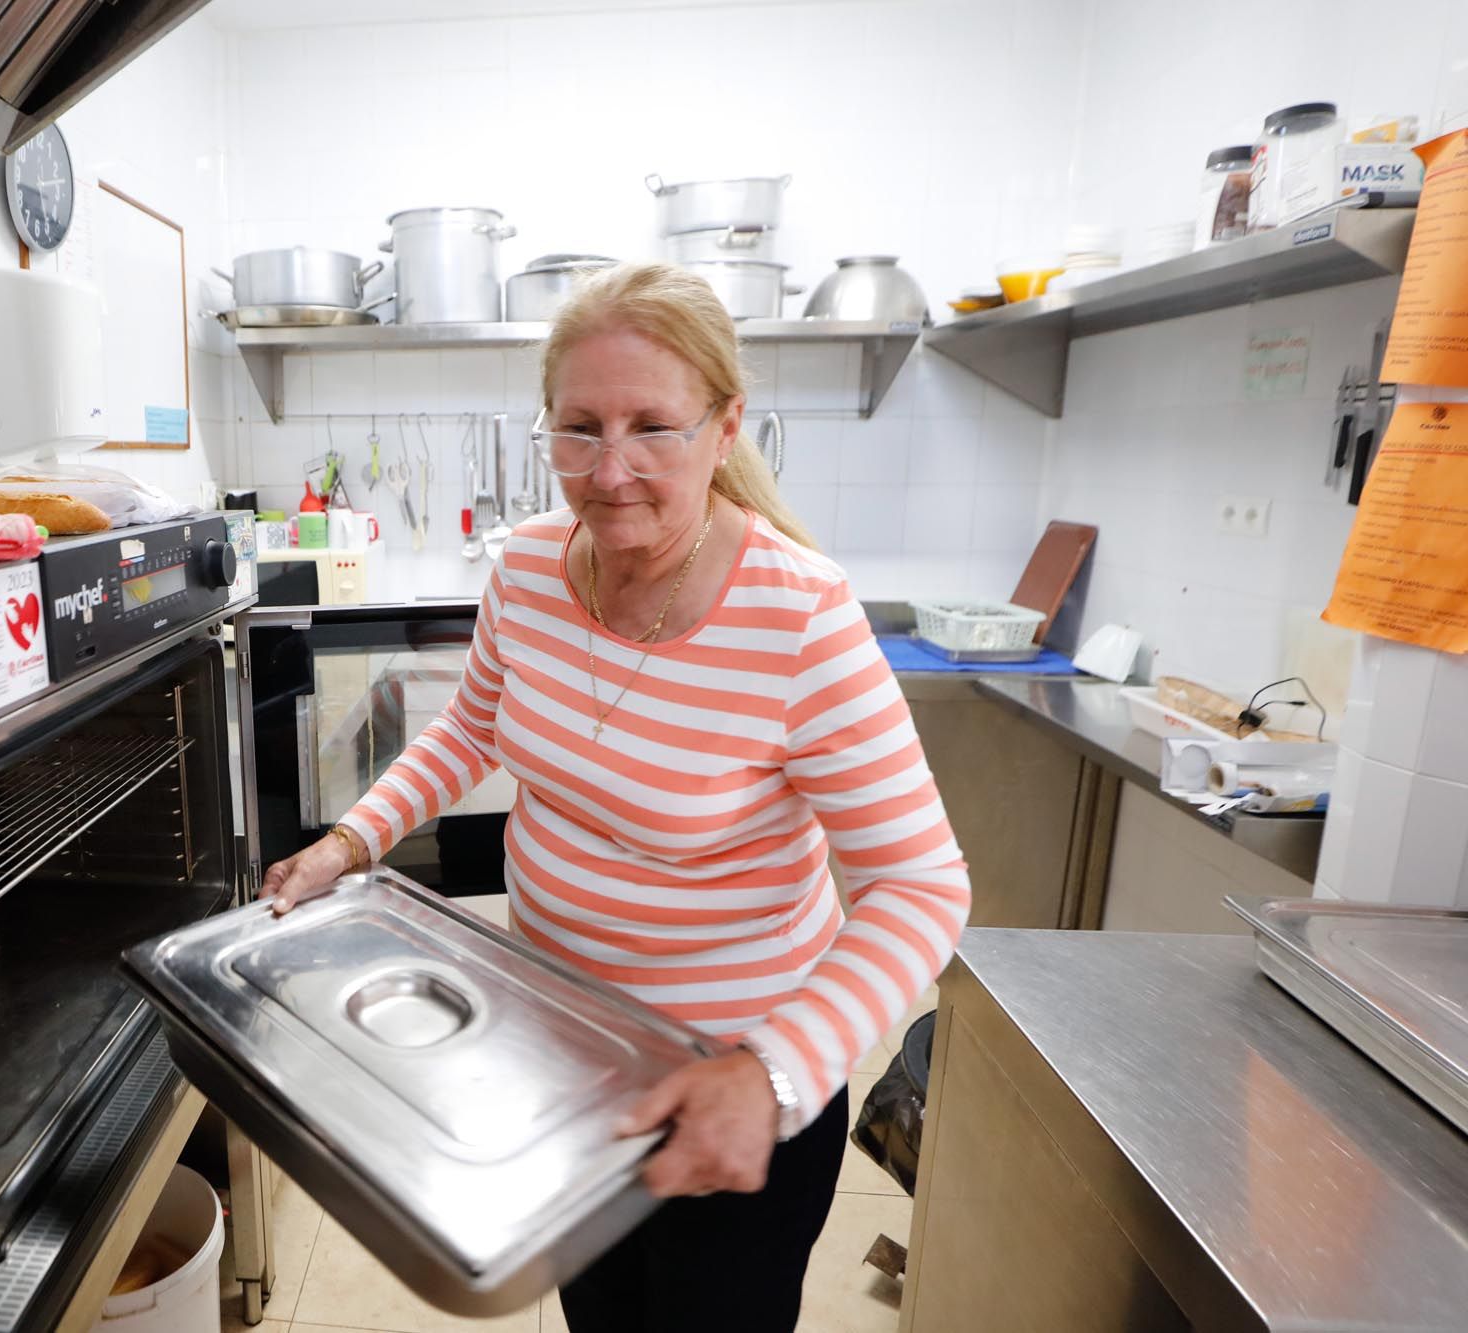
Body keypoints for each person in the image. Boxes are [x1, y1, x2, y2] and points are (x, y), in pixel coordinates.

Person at [260, 261, 970, 1332]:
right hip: (563, 1061)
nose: (611, 469)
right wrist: (351, 842)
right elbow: (468, 730)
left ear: (724, 429)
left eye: (653, 427)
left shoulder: (800, 618)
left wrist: (770, 1072)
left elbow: (917, 885)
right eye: (579, 429)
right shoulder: (529, 569)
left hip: (731, 1084)